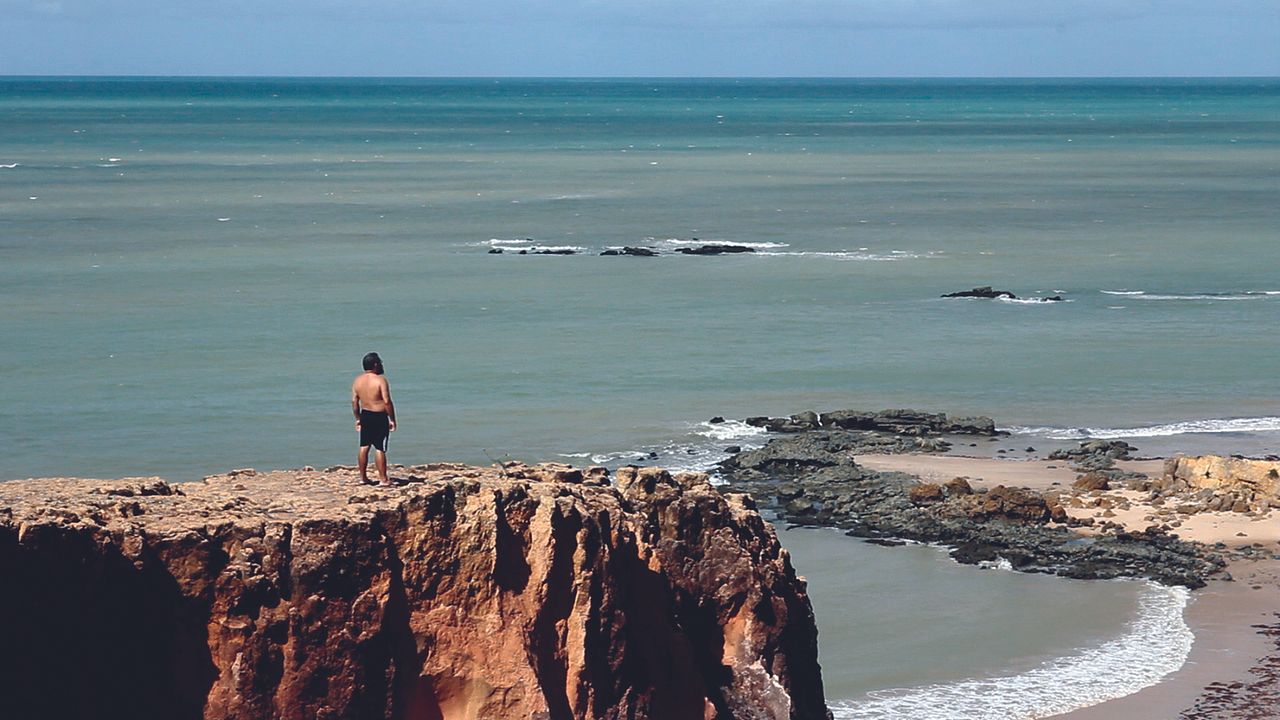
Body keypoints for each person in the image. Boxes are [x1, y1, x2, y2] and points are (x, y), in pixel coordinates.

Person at [351, 352, 397, 485]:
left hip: (365, 414)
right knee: (379, 447)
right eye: (380, 363)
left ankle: (363, 477)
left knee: (364, 445)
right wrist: (392, 419)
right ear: (375, 365)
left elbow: (354, 402)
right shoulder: (380, 380)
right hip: (379, 416)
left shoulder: (357, 381)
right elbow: (387, 401)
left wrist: (358, 418)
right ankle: (383, 479)